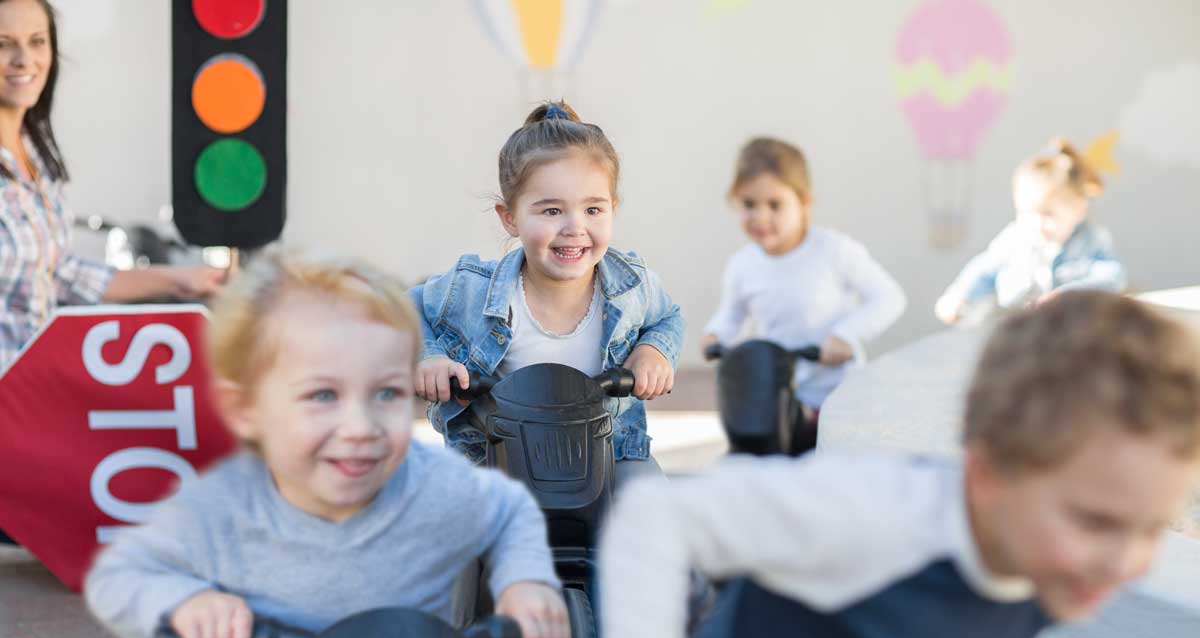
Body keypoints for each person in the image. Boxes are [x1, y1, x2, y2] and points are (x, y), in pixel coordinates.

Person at [597, 290, 1200, 638]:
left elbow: (965, 637)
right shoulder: (873, 515)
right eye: (1097, 522)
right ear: (988, 476)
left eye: (1153, 527)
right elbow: (655, 515)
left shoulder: (1051, 565)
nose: (1128, 563)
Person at [85, 255, 569, 638]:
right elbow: (122, 574)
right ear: (248, 411)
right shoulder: (227, 505)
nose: (359, 427)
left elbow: (509, 511)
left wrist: (524, 582)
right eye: (322, 396)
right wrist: (188, 605)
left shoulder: (429, 483)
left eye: (384, 394)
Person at [411, 100, 684, 485]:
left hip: (610, 454)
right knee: (447, 519)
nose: (575, 227)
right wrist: (429, 358)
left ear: (613, 208)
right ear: (510, 218)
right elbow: (406, 309)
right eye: (552, 211)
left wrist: (654, 350)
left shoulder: (631, 287)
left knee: (651, 511)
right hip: (495, 456)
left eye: (593, 210)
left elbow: (667, 317)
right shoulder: (472, 289)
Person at [0, 0, 224, 375]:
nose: (25, 59)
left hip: (35, 392)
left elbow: (59, 275)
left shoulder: (36, 153)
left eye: (37, 41)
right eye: (3, 43)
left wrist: (179, 280)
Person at [700, 137, 906, 428]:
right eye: (749, 204)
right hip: (782, 394)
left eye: (775, 205)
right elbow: (731, 314)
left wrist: (846, 336)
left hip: (838, 394)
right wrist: (716, 335)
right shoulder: (742, 265)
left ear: (804, 202)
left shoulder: (833, 250)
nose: (760, 217)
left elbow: (889, 297)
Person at [935, 138, 1126, 326]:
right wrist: (959, 296)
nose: (1036, 224)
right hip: (1015, 326)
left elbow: (1113, 277)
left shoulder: (1090, 241)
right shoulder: (1015, 238)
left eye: (1048, 214)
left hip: (1069, 329)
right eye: (1026, 213)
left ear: (1079, 209)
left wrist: (1068, 295)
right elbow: (984, 269)